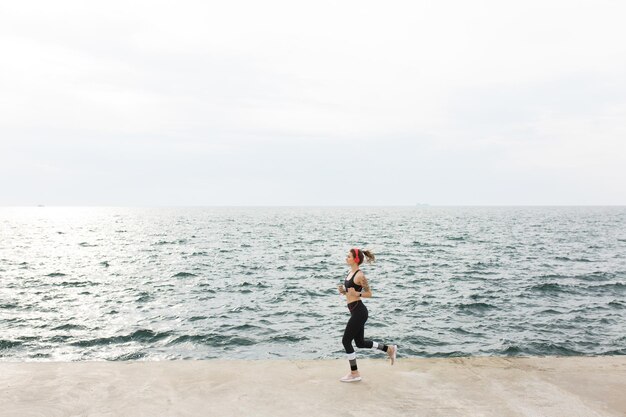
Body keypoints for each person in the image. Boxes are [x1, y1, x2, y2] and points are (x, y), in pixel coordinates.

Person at [337, 248, 397, 382]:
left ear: (356, 259)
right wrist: (343, 291)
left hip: (359, 312)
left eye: (349, 256)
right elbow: (351, 291)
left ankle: (354, 373)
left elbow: (369, 294)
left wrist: (357, 294)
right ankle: (389, 349)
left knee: (346, 341)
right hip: (354, 310)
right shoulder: (350, 272)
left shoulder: (360, 275)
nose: (346, 258)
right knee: (360, 343)